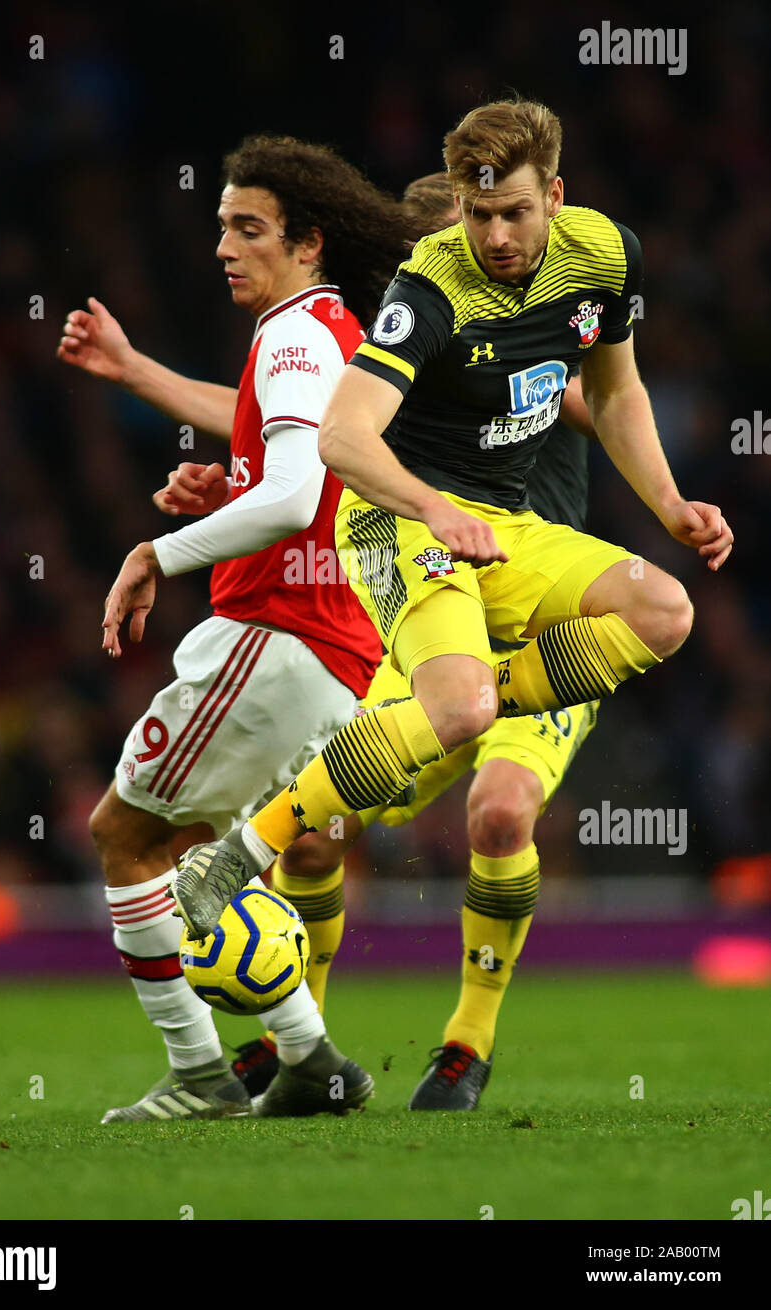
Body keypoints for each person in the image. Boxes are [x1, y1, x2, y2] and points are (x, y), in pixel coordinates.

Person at [166, 98, 733, 974]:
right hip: (400, 521)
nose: (495, 236)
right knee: (457, 714)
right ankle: (239, 855)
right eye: (478, 215)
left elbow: (615, 392)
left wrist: (669, 505)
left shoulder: (607, 254)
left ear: (556, 194)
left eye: (513, 212)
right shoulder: (429, 286)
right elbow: (341, 438)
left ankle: (452, 709)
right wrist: (433, 508)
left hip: (500, 526)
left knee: (665, 611)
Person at [58, 133, 408, 1121]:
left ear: (307, 244)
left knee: (125, 837)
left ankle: (201, 1075)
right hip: (325, 645)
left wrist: (153, 554)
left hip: (277, 635)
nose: (223, 246)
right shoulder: (328, 329)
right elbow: (287, 463)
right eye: (219, 226)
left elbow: (295, 496)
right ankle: (309, 1060)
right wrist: (229, 476)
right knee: (205, 863)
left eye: (247, 229)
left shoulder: (294, 336)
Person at [232, 173, 600, 1111]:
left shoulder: (540, 331)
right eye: (421, 263)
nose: (432, 281)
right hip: (436, 624)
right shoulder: (409, 361)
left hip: (546, 637)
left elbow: (595, 391)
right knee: (314, 832)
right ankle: (301, 1049)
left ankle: (465, 1048)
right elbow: (323, 434)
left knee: (501, 814)